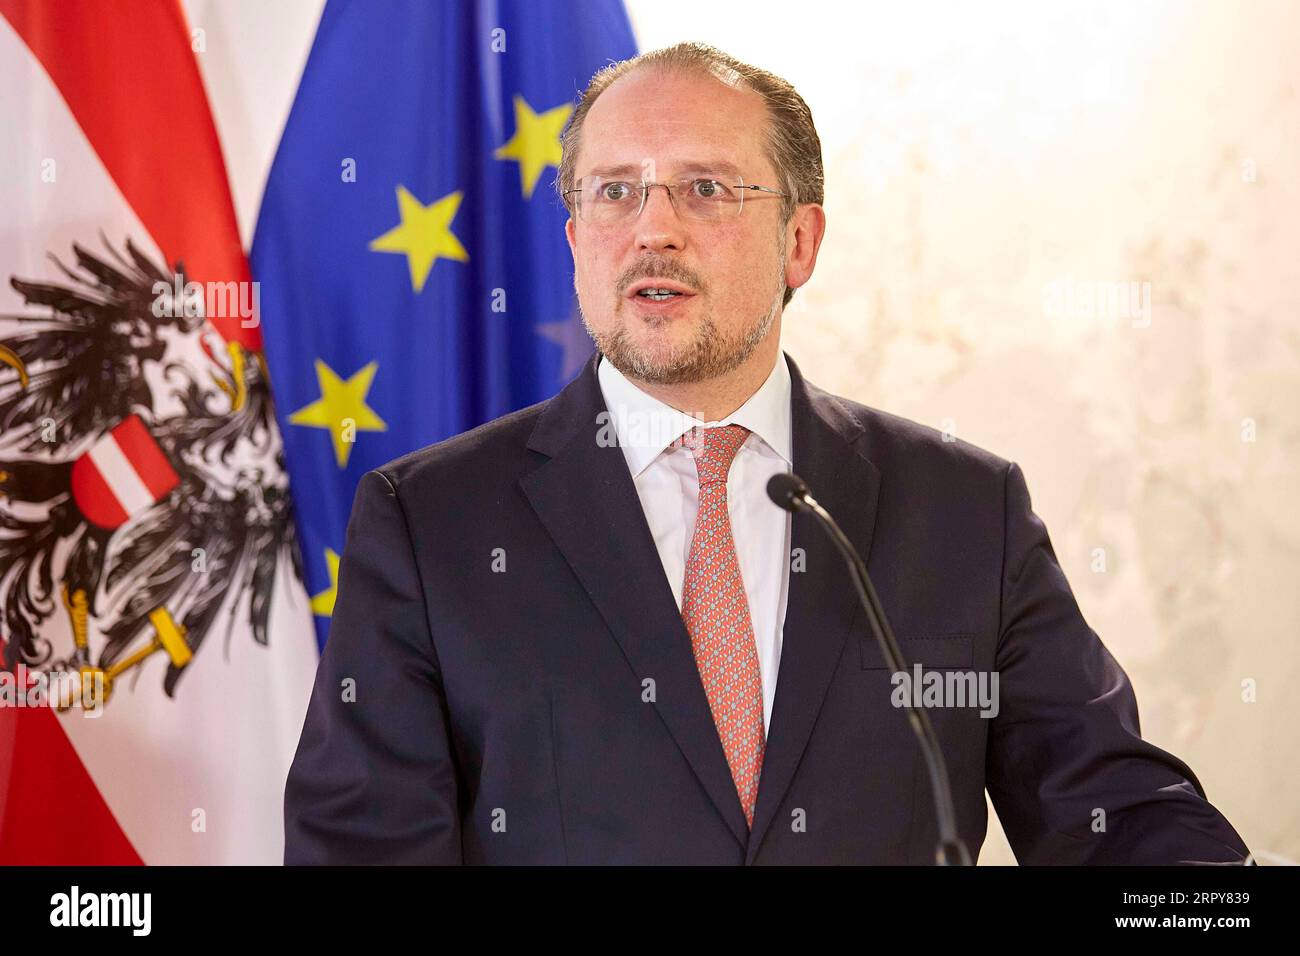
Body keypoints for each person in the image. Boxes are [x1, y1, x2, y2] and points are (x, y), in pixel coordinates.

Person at [283, 42, 1249, 865]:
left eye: (705, 189)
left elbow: (1113, 818)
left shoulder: (964, 509)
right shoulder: (432, 522)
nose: (653, 229)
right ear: (577, 239)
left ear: (801, 241)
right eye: (616, 192)